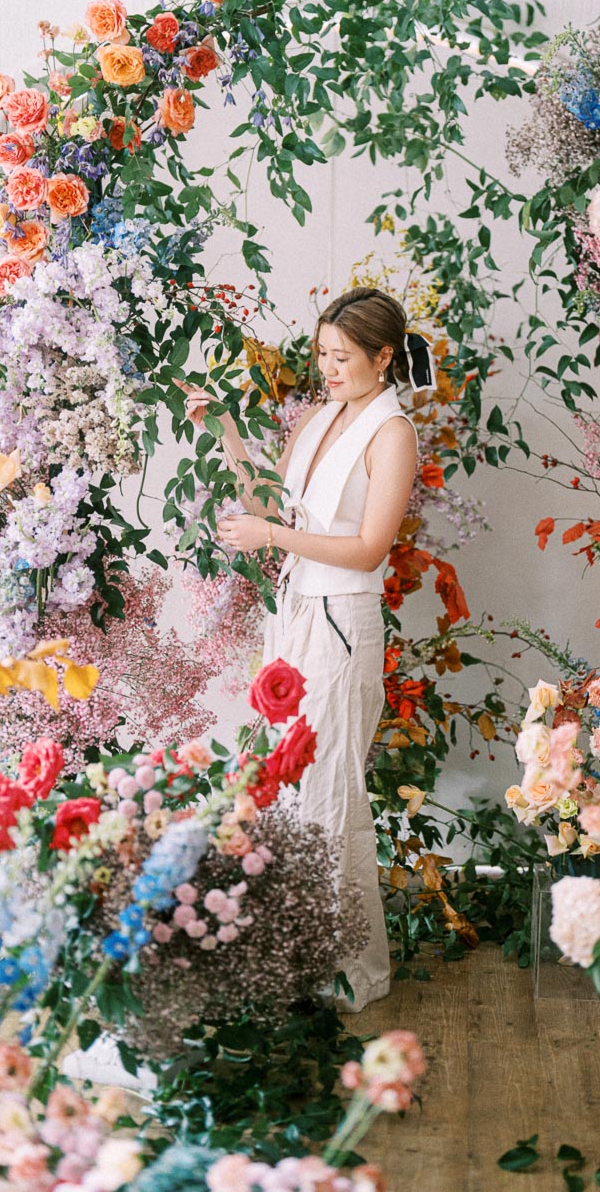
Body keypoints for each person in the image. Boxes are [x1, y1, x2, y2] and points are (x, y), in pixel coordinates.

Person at [177, 288, 430, 1011]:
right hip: (294, 615)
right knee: (283, 789)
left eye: (342, 357)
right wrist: (226, 428)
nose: (327, 369)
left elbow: (368, 547)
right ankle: (289, 955)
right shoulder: (320, 419)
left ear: (384, 357)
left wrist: (274, 541)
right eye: (321, 354)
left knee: (329, 791)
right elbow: (273, 507)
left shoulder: (392, 433)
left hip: (343, 618)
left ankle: (348, 966)